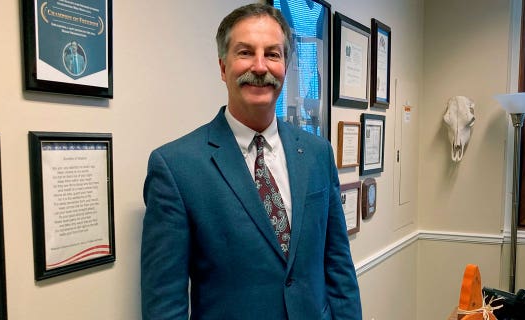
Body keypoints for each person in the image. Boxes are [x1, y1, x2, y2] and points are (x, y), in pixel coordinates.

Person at [140, 3, 362, 319]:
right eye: (245, 52)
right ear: (222, 67)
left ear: (286, 65)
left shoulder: (317, 154)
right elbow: (165, 303)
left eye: (272, 54)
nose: (260, 67)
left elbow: (338, 263)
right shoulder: (176, 168)